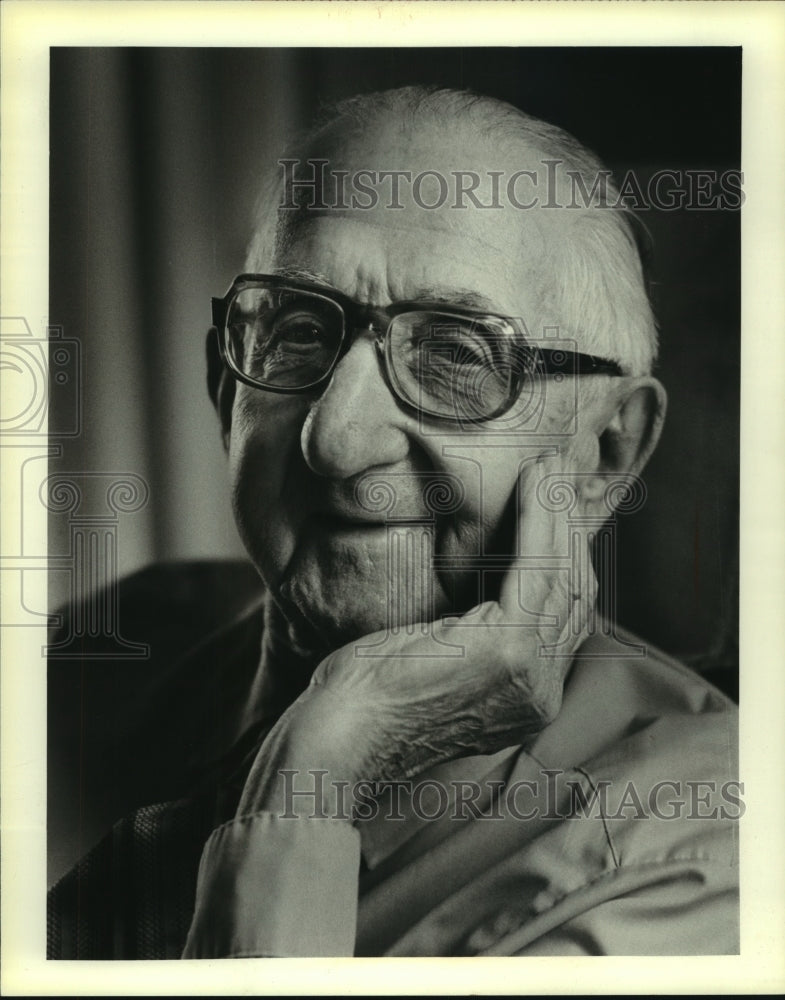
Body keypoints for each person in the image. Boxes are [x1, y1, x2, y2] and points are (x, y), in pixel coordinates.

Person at [47, 85, 739, 959]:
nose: (335, 439)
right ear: (226, 387)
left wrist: (312, 786)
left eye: (454, 353)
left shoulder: (704, 852)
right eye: (297, 330)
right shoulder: (107, 646)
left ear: (605, 450)